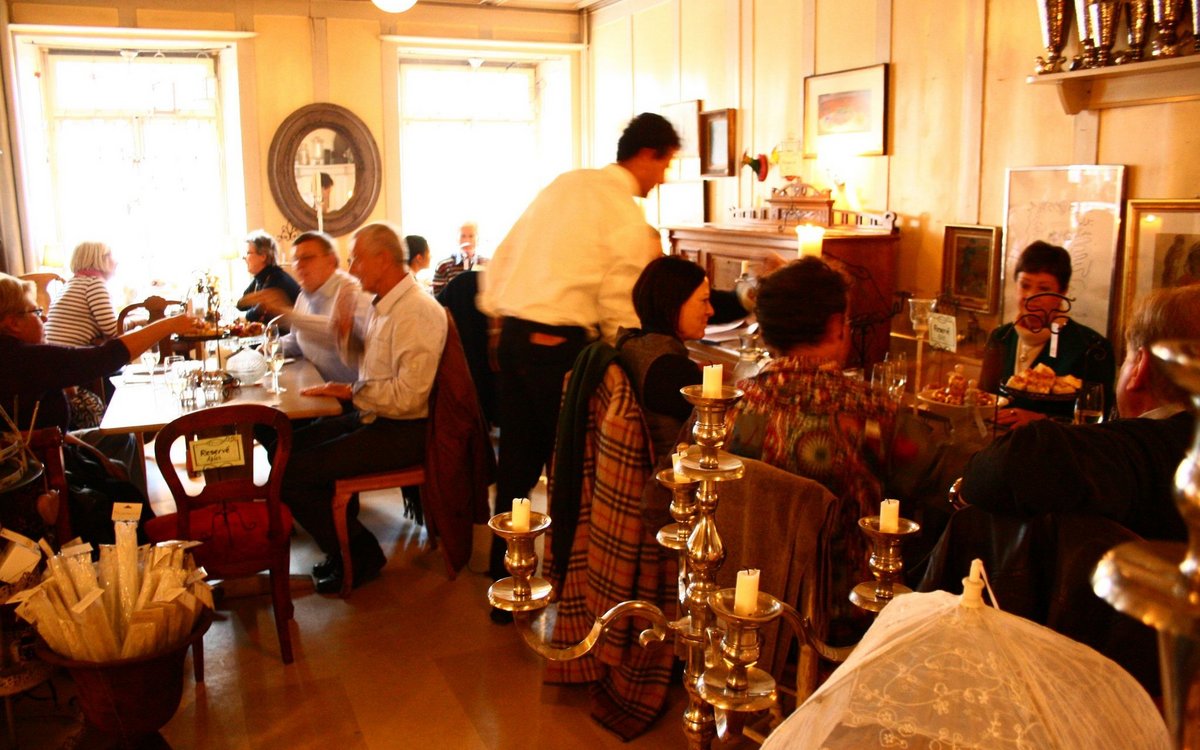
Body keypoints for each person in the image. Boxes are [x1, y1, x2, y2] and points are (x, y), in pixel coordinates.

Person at [918, 285, 1200, 691]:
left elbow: (1023, 458)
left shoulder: (1156, 451)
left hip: (1103, 684)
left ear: (1139, 367)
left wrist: (963, 486)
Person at [478, 112, 680, 594]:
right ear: (647, 154)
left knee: (517, 466)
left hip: (515, 336)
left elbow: (505, 252)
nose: (663, 177)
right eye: (665, 164)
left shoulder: (566, 183)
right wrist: (626, 356)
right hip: (561, 348)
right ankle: (566, 578)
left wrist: (497, 319)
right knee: (569, 470)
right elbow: (619, 302)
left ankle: (505, 578)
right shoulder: (624, 213)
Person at [726, 258, 898, 643]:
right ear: (837, 326)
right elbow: (925, 483)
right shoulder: (873, 412)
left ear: (766, 332)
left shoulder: (730, 408)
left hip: (745, 602)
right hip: (847, 613)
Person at [280, 223, 447, 594]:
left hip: (405, 430)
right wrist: (345, 334)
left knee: (290, 473)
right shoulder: (382, 305)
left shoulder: (416, 311)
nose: (351, 269)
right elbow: (368, 367)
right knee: (286, 449)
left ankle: (360, 554)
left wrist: (350, 392)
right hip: (377, 415)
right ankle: (344, 548)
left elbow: (410, 397)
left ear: (383, 259)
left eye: (355, 259)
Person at [0, 273, 200, 543]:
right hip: (36, 469)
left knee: (120, 440)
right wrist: (171, 324)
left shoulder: (16, 356)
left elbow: (32, 429)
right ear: (12, 323)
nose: (44, 318)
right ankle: (133, 535)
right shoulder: (21, 359)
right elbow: (105, 357)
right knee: (118, 488)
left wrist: (93, 452)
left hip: (47, 447)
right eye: (36, 312)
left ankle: (136, 526)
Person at [979, 241, 1114, 427]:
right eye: (1025, 285)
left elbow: (1099, 423)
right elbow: (984, 399)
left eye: (1043, 289)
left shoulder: (1092, 347)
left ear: (1063, 292)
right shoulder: (1001, 337)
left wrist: (1042, 421)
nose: (1031, 296)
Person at [616, 255, 713, 461]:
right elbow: (720, 429)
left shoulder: (631, 343)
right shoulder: (671, 369)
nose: (710, 311)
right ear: (673, 304)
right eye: (704, 301)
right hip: (676, 470)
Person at [242, 231, 370, 384]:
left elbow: (342, 336)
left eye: (307, 258)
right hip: (314, 385)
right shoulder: (304, 295)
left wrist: (286, 314)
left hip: (351, 393)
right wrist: (269, 348)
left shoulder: (352, 291)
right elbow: (296, 339)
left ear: (331, 260)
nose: (299, 265)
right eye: (296, 259)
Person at [44, 241, 119, 347]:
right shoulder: (94, 284)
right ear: (98, 259)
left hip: (54, 351)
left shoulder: (72, 283)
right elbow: (113, 330)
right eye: (110, 255)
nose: (116, 261)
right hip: (70, 354)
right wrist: (137, 321)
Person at [236, 230, 300, 323]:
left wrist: (250, 304)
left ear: (263, 256)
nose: (244, 257)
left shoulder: (277, 279)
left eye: (248, 253)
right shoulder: (259, 278)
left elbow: (258, 313)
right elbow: (240, 305)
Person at [431, 222, 484, 295]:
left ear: (478, 239)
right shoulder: (443, 266)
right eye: (463, 236)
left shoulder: (487, 264)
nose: (467, 240)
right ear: (457, 239)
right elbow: (438, 297)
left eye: (471, 236)